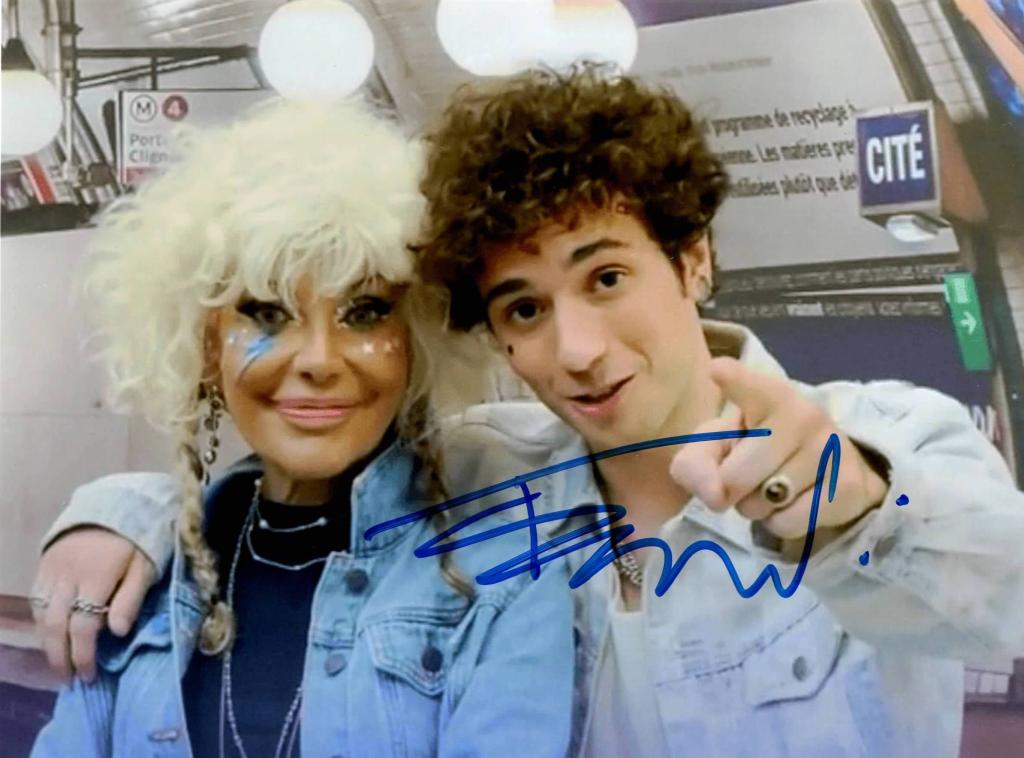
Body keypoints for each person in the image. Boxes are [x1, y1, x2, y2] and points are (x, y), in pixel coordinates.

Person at [34, 67, 1024, 756]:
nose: (576, 348)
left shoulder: (888, 432)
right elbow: (303, 454)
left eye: (606, 276)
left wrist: (846, 506)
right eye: (523, 308)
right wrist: (120, 513)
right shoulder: (483, 467)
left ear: (693, 259)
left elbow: (997, 585)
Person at [29, 98, 573, 758]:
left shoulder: (506, 576)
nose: (319, 359)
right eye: (266, 312)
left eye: (365, 312)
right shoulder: (140, 578)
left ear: (418, 339)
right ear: (206, 345)